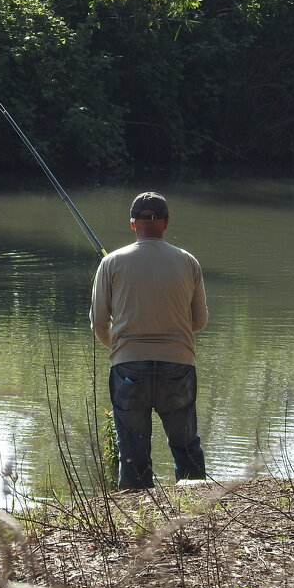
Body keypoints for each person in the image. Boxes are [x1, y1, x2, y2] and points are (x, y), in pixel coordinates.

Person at [90, 191, 209, 489]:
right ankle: (196, 513)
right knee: (185, 446)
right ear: (166, 223)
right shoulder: (188, 261)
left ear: (132, 224)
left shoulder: (111, 263)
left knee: (132, 451)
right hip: (178, 366)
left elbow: (98, 322)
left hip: (128, 367)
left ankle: (136, 518)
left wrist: (120, 349)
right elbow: (200, 321)